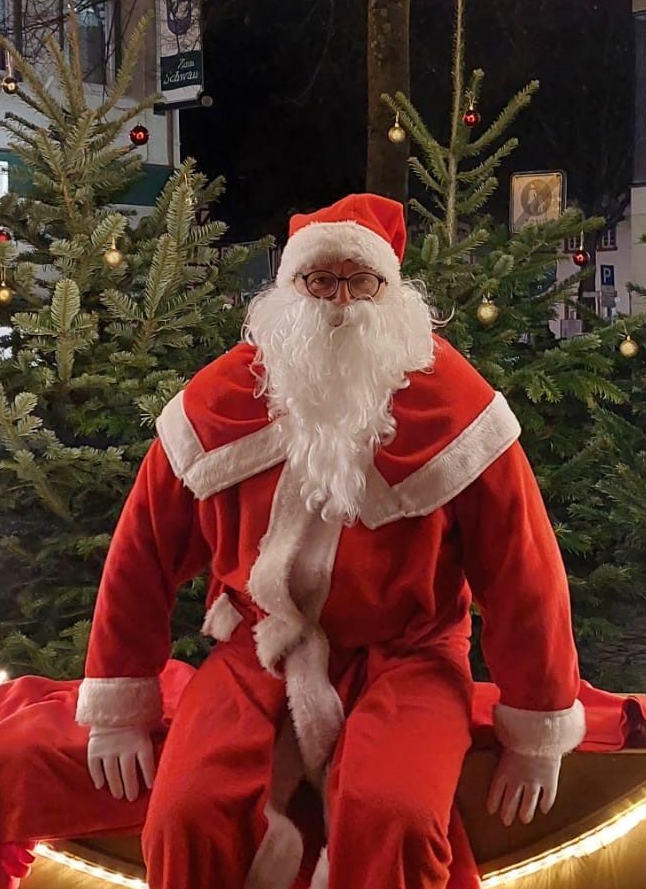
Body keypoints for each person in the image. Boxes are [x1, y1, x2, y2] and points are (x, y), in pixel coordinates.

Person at [77, 192, 584, 889]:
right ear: (290, 291)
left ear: (392, 292)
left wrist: (537, 731)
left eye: (362, 280)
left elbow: (525, 574)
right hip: (258, 647)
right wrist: (119, 706)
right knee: (186, 814)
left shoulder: (458, 409)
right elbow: (142, 552)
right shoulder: (220, 400)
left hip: (411, 656)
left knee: (394, 815)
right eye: (321, 280)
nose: (341, 300)